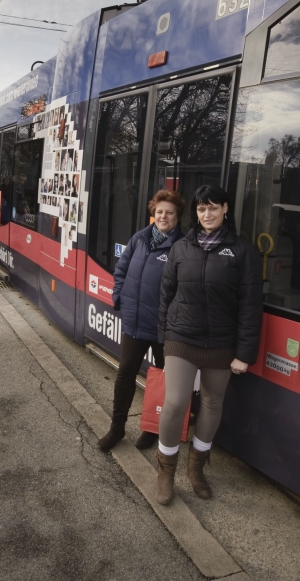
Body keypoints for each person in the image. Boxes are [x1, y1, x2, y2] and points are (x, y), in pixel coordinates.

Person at [154, 184, 262, 504]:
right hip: (181, 337)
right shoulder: (181, 248)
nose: (207, 214)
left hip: (221, 342)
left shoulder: (243, 251)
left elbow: (250, 305)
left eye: (214, 207)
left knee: (213, 404)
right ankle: (165, 472)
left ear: (226, 209)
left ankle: (196, 469)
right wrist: (163, 337)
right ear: (196, 213)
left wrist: (244, 353)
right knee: (175, 403)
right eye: (202, 209)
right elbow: (165, 294)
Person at [98, 189, 185, 452]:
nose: (163, 216)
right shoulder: (139, 239)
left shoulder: (182, 246)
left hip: (163, 328)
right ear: (153, 213)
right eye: (159, 211)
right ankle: (117, 429)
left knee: (161, 380)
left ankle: (151, 429)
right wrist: (119, 297)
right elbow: (121, 270)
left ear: (177, 216)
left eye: (169, 212)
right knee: (125, 375)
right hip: (134, 323)